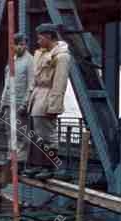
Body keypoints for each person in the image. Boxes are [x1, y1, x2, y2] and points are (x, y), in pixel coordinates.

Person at [24, 23, 71, 180]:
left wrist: (54, 106)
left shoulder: (61, 56)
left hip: (47, 97)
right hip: (38, 96)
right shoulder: (43, 54)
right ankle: (38, 164)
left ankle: (49, 166)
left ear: (49, 36)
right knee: (38, 132)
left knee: (48, 134)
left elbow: (59, 83)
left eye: (40, 37)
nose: (38, 41)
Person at [0, 33, 34, 165]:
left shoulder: (29, 60)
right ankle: (11, 158)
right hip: (9, 103)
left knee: (21, 134)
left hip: (20, 103)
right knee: (10, 132)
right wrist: (2, 103)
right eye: (17, 44)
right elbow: (7, 83)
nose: (19, 47)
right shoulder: (12, 60)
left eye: (22, 44)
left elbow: (31, 84)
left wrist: (25, 104)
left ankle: (19, 162)